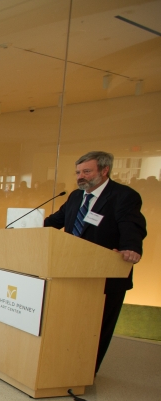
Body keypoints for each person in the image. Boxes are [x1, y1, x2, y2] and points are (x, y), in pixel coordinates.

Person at [44, 151, 147, 373]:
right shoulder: (74, 196)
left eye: (87, 171)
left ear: (104, 170)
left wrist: (131, 247)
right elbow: (56, 221)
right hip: (71, 272)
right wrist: (29, 229)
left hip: (106, 275)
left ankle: (85, 372)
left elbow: (131, 225)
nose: (81, 176)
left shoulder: (123, 196)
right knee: (71, 324)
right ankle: (62, 367)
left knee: (97, 328)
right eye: (78, 172)